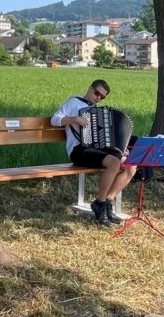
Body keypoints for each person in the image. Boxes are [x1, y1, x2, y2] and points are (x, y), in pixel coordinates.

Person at [51, 79, 137, 226]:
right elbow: (54, 120)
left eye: (102, 97)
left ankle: (107, 202)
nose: (98, 98)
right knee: (114, 163)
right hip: (78, 151)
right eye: (97, 93)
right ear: (90, 88)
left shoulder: (97, 111)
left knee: (131, 166)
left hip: (95, 150)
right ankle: (99, 203)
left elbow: (104, 139)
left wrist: (120, 150)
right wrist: (75, 119)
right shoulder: (74, 102)